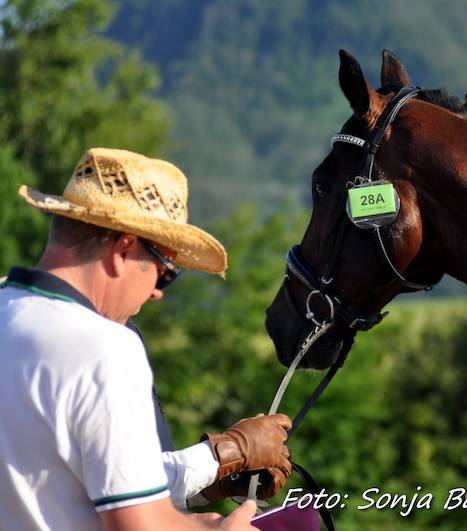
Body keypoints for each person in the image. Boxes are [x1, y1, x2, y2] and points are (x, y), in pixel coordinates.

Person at [0, 148, 292, 530]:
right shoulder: (104, 346)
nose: (157, 291)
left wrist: (213, 468)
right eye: (165, 270)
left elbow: (67, 484)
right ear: (123, 249)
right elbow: (137, 524)